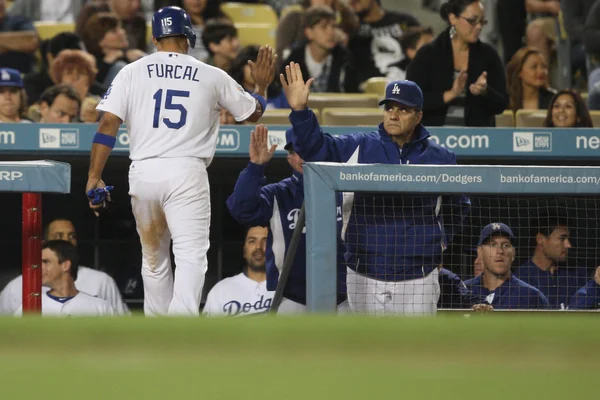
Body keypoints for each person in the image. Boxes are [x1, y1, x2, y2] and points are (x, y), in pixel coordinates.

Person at [86, 6, 276, 316]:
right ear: (189, 37)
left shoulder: (132, 70)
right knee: (190, 257)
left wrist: (94, 176)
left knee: (154, 260)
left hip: (144, 172)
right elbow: (252, 113)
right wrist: (262, 87)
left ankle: (158, 332)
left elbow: (108, 123)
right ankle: (181, 327)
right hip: (186, 172)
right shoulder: (211, 74)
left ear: (154, 38)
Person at [280, 64, 470, 315]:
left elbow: (458, 205)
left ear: (418, 116)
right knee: (366, 351)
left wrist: (440, 242)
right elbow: (316, 150)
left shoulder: (441, 157)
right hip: (364, 272)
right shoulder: (359, 146)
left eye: (403, 109)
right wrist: (301, 111)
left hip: (418, 276)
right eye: (390, 107)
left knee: (416, 351)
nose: (393, 114)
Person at [227, 126, 345, 313]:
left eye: (310, 149)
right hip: (292, 298)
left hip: (341, 297)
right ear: (290, 158)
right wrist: (255, 167)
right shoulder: (278, 193)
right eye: (297, 152)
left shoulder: (345, 189)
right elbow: (242, 210)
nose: (304, 157)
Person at [406, 0, 508, 127]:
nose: (478, 27)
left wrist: (485, 91)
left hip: (477, 140)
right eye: (472, 21)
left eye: (482, 22)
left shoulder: (489, 55)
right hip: (434, 138)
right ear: (453, 18)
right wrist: (450, 94)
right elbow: (410, 99)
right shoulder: (428, 54)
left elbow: (502, 103)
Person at [0, 218, 129, 315]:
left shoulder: (101, 286)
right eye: (58, 236)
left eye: (72, 236)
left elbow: (123, 334)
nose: (66, 240)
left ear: (65, 265)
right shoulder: (18, 289)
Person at [14, 240, 115, 317]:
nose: (40, 267)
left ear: (65, 265)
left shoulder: (101, 308)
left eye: (46, 262)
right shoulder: (29, 307)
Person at [464, 223, 550, 310]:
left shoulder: (531, 296)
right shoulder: (463, 291)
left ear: (513, 253)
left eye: (506, 245)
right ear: (480, 252)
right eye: (492, 245)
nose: (500, 251)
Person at [516, 216, 591, 309]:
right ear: (540, 239)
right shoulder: (521, 278)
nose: (568, 245)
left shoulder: (579, 274)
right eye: (562, 238)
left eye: (568, 239)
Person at [282, 5, 358, 93]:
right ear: (309, 33)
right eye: (324, 27)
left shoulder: (345, 58)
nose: (331, 32)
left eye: (333, 26)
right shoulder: (293, 61)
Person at [203, 226, 274, 316]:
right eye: (252, 241)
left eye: (265, 241)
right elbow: (208, 329)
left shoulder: (288, 289)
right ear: (244, 251)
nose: (258, 247)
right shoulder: (221, 290)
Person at [347, 0, 420, 86]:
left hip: (405, 89)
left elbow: (425, 52)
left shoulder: (404, 21)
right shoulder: (349, 27)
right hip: (365, 92)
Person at [275, 0, 359, 60]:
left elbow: (353, 25)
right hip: (297, 70)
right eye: (323, 27)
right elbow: (280, 54)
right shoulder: (295, 18)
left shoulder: (339, 19)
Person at [506, 46, 556, 112]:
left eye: (544, 66)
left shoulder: (553, 99)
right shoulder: (507, 101)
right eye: (534, 67)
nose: (541, 71)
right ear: (519, 72)